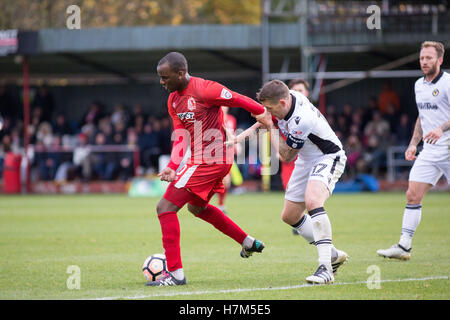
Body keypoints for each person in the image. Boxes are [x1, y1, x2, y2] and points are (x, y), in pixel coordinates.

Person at [147, 52, 266, 286]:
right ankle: (247, 241)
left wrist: (263, 113)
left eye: (165, 77)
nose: (162, 82)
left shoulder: (205, 89)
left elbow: (238, 99)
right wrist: (172, 166)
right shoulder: (173, 101)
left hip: (210, 160)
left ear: (181, 73)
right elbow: (181, 137)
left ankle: (175, 275)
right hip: (204, 160)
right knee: (197, 208)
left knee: (165, 207)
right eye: (160, 77)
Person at [252, 79, 349, 284]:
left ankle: (325, 269)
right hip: (306, 159)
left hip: (328, 156)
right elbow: (263, 119)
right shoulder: (287, 100)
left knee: (313, 201)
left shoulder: (301, 118)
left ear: (283, 102)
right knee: (290, 215)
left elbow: (286, 156)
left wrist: (270, 126)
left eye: (270, 108)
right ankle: (332, 254)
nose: (269, 112)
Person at [377, 41, 450, 260]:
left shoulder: (447, 82)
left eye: (429, 58)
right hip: (429, 150)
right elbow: (422, 116)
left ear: (440, 60)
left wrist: (441, 128)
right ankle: (404, 246)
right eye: (422, 58)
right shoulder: (419, 84)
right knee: (412, 195)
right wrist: (413, 143)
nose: (424, 62)